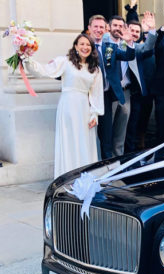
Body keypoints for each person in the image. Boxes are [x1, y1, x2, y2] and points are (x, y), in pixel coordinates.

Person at [25, 34, 103, 178]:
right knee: (68, 142)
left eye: (88, 45)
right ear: (75, 46)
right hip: (67, 106)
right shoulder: (65, 62)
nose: (85, 47)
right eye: (82, 44)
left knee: (84, 144)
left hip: (84, 109)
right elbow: (42, 70)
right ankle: (67, 179)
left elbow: (97, 94)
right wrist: (26, 58)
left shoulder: (95, 69)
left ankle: (85, 178)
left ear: (92, 48)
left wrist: (95, 113)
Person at [88, 14, 135, 160]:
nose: (98, 29)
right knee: (88, 135)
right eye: (95, 26)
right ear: (89, 28)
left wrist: (129, 42)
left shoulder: (110, 47)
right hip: (86, 99)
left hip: (106, 97)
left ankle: (106, 169)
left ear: (106, 29)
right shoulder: (84, 46)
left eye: (101, 27)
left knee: (106, 136)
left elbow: (128, 56)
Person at [124, 12, 157, 153]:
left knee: (140, 122)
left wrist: (151, 30)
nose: (135, 33)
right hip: (126, 93)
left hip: (141, 91)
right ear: (126, 30)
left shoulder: (139, 47)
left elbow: (148, 47)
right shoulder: (120, 45)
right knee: (130, 126)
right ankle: (128, 152)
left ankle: (136, 150)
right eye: (132, 30)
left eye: (138, 31)